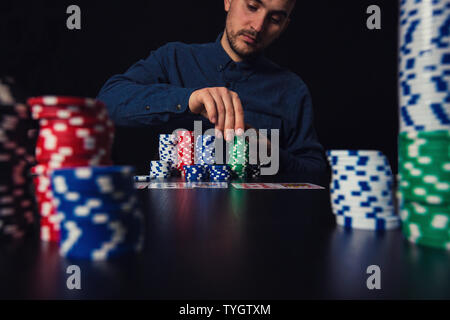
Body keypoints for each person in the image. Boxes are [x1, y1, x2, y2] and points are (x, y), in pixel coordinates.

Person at [98, 0, 327, 182]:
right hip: (170, 222)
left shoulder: (292, 90)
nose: (257, 26)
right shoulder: (174, 58)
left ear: (284, 26)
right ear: (228, 1)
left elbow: (316, 172)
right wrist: (187, 99)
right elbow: (106, 103)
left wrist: (272, 154)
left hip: (258, 227)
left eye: (275, 19)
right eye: (252, 7)